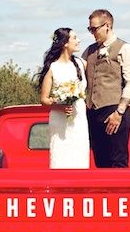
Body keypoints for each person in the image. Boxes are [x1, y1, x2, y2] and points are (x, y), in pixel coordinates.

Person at [83, 9, 130, 168]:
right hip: (93, 112)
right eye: (90, 29)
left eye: (95, 29)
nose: (92, 33)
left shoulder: (124, 48)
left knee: (118, 162)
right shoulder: (89, 51)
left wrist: (119, 112)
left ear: (107, 25)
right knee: (100, 163)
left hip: (114, 111)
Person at [37, 28, 90, 169]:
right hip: (60, 120)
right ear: (65, 43)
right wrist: (60, 106)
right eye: (75, 37)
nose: (78, 41)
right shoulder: (53, 68)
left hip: (78, 119)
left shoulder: (81, 63)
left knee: (80, 154)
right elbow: (44, 99)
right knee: (61, 155)